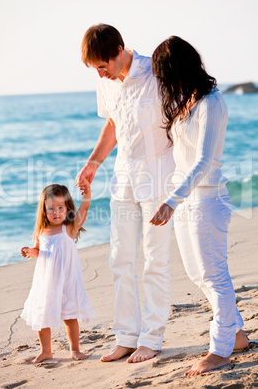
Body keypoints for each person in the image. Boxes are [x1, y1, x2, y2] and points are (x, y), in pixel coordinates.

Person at [75, 24, 175, 363]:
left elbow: (180, 118)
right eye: (95, 70)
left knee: (154, 260)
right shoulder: (105, 82)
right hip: (123, 178)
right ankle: (126, 337)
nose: (101, 74)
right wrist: (93, 163)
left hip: (158, 180)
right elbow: (114, 124)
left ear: (119, 50)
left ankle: (152, 338)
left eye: (104, 66)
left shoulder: (156, 73)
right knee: (120, 258)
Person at [150, 36, 249, 376]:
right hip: (186, 200)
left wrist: (170, 201)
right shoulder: (185, 102)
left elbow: (205, 160)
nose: (163, 83)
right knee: (196, 273)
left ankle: (220, 351)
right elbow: (181, 158)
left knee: (214, 275)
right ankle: (235, 334)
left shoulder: (212, 102)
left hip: (207, 200)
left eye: (163, 74)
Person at [20, 183, 95, 363]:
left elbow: (84, 207)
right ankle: (46, 351)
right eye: (51, 209)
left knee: (70, 317)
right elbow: (39, 251)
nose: (56, 212)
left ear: (68, 208)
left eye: (61, 207)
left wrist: (87, 193)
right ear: (43, 210)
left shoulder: (69, 228)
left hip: (67, 280)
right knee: (42, 316)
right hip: (46, 281)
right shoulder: (41, 231)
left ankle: (75, 349)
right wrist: (30, 251)